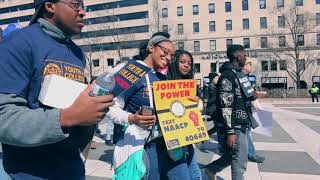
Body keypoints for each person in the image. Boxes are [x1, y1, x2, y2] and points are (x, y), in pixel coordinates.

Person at [0, 0, 114, 179]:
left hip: (72, 168)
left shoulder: (77, 53)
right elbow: (4, 118)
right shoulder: (18, 43)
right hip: (28, 173)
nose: (83, 12)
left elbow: (74, 106)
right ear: (50, 6)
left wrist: (94, 108)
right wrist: (68, 117)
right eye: (76, 4)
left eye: (84, 6)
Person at [204, 45, 254, 180]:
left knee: (232, 156)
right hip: (234, 124)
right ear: (237, 56)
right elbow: (226, 104)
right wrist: (230, 131)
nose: (245, 57)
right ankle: (211, 169)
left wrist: (252, 95)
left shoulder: (238, 73)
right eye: (244, 54)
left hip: (242, 121)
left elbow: (240, 96)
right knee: (240, 161)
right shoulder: (227, 75)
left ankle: (211, 169)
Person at [166, 50, 202, 179]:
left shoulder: (191, 85)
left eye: (189, 63)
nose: (187, 65)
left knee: (196, 176)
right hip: (171, 141)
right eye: (182, 62)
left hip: (187, 139)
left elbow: (197, 112)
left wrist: (198, 103)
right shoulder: (164, 83)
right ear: (174, 63)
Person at [242, 61, 265, 163]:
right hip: (243, 110)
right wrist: (256, 95)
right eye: (249, 66)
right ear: (245, 66)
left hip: (246, 109)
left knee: (247, 132)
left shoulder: (244, 77)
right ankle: (251, 154)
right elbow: (247, 94)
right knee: (247, 133)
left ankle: (248, 153)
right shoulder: (241, 77)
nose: (250, 68)